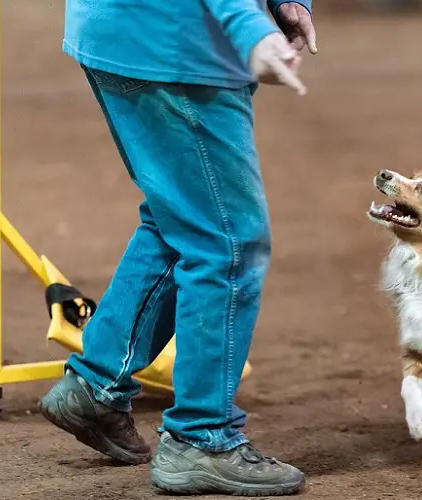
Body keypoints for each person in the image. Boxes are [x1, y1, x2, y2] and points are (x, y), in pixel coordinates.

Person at [38, 0, 316, 496]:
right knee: (227, 241)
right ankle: (203, 439)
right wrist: (250, 25)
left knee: (186, 218)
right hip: (177, 41)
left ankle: (96, 385)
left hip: (124, 30)